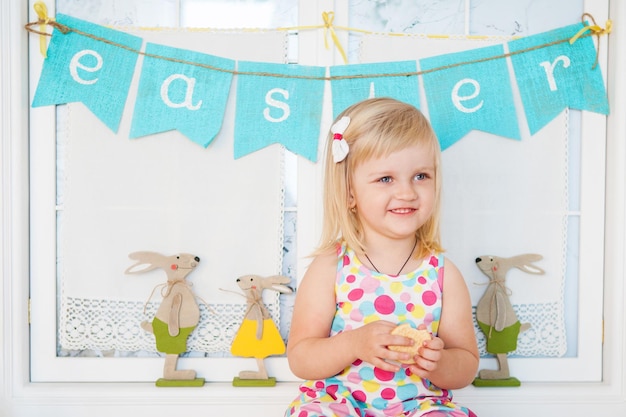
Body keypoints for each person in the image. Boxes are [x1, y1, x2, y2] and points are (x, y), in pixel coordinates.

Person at [285, 98, 479, 417]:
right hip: (340, 402)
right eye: (385, 179)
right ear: (349, 192)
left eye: (420, 176)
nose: (407, 192)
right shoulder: (331, 267)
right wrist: (353, 344)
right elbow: (301, 357)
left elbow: (466, 365)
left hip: (417, 406)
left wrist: (440, 362)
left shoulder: (444, 274)